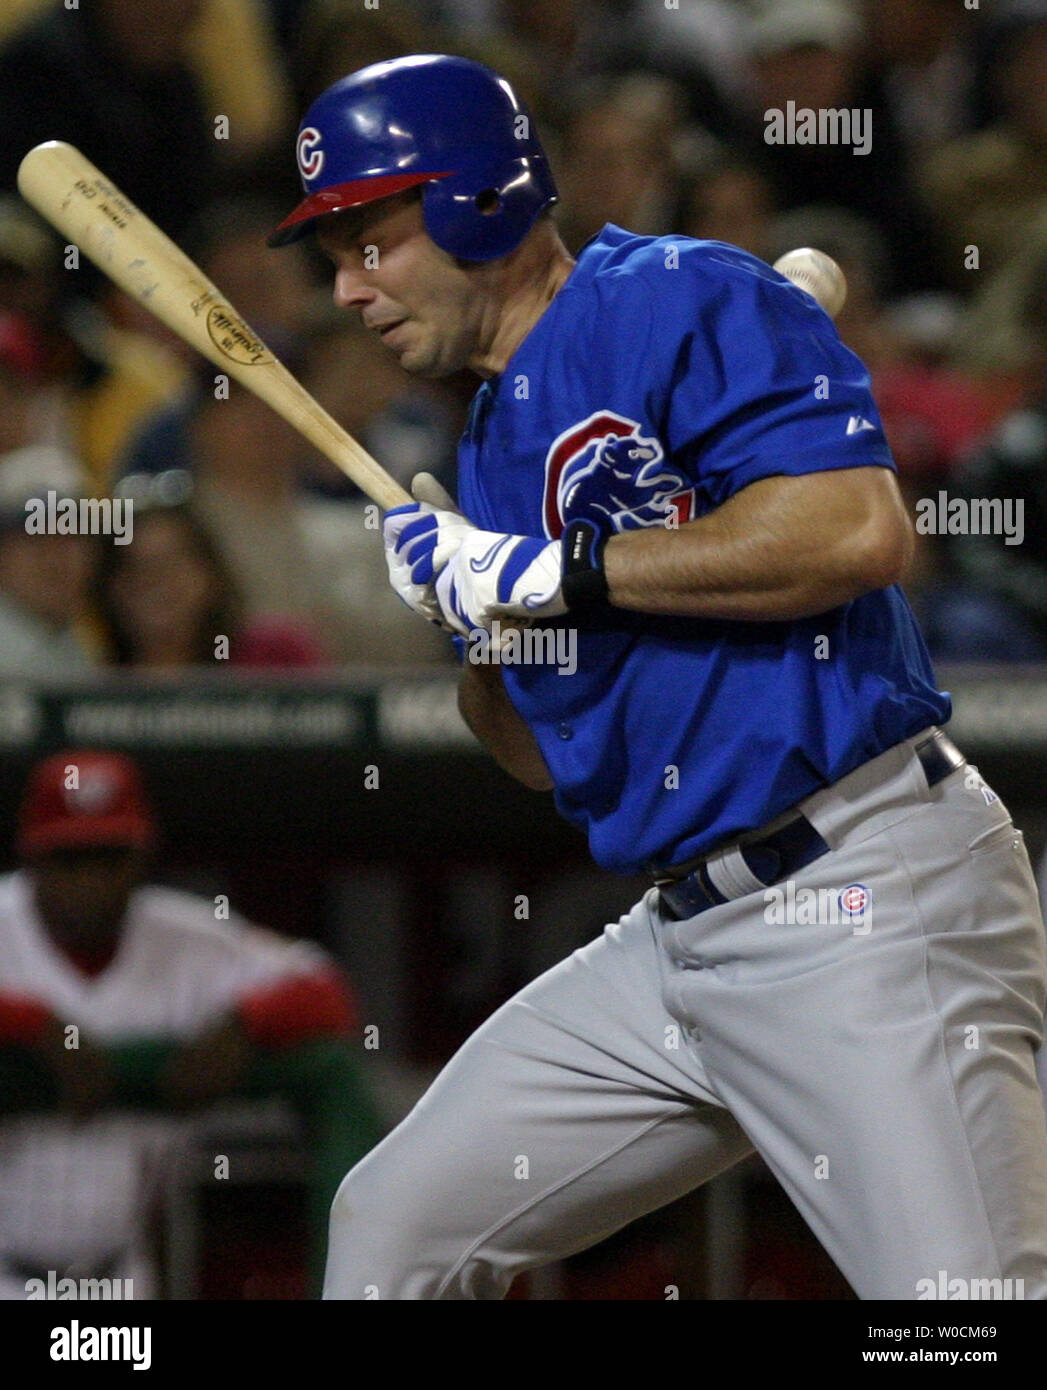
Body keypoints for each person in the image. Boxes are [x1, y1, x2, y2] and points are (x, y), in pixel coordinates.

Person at [269, 54, 1047, 1300]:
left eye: (372, 241)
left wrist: (550, 574)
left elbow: (858, 535)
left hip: (860, 892)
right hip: (679, 940)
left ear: (475, 198)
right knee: (391, 1229)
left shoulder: (675, 294)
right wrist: (477, 620)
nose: (349, 287)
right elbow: (535, 754)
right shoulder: (493, 446)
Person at [0, 749, 384, 1297]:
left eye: (110, 858)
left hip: (117, 1275)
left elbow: (326, 991)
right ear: (31, 857)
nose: (91, 880)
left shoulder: (183, 937)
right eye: (71, 859)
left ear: (141, 856)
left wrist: (246, 1020)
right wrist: (27, 1021)